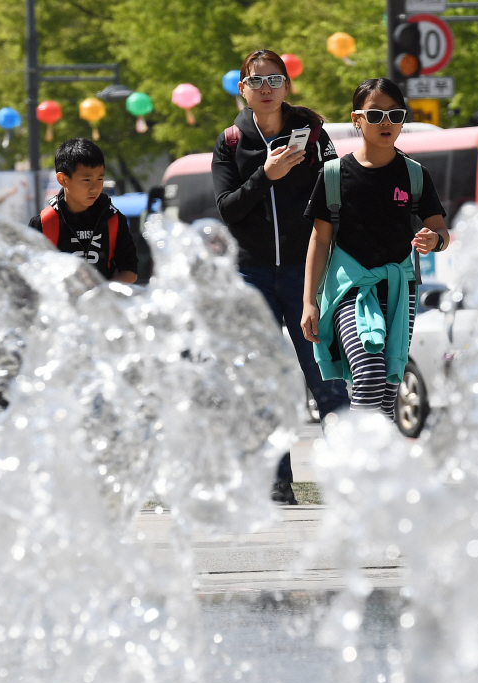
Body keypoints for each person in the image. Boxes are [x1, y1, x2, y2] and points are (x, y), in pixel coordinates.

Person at [212, 49, 349, 505]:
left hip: (303, 271)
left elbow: (337, 194)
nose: (267, 89)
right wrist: (265, 175)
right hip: (251, 275)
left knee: (323, 373)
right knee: (264, 380)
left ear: (287, 86)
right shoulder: (231, 141)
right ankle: (278, 480)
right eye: (258, 81)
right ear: (243, 90)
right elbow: (228, 209)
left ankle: (350, 477)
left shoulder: (312, 135)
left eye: (275, 80)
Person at [301, 78, 449, 418]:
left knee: (387, 391)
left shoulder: (415, 175)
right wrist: (309, 302)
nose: (386, 122)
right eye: (375, 114)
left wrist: (434, 239)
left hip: (400, 291)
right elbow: (319, 239)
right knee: (368, 376)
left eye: (395, 114)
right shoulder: (334, 175)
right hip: (350, 290)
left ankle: (377, 466)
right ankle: (357, 459)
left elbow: (441, 231)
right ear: (356, 119)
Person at [29, 138, 138, 283]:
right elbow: (31, 275)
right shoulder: (43, 223)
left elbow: (130, 271)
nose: (95, 188)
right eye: (87, 180)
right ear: (63, 179)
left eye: (100, 179)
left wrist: (102, 294)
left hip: (104, 303)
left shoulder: (114, 219)